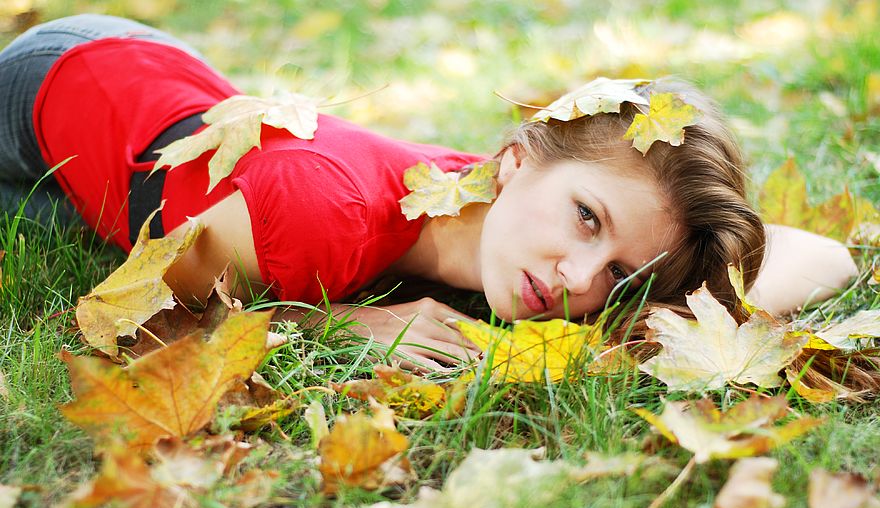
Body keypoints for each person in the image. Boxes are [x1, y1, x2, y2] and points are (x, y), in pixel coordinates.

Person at [0, 14, 859, 372]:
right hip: (59, 88)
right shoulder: (319, 214)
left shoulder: (502, 221)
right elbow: (130, 310)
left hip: (148, 145)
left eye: (623, 269)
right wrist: (335, 321)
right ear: (515, 160)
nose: (582, 279)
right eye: (587, 218)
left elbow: (825, 258)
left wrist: (660, 306)